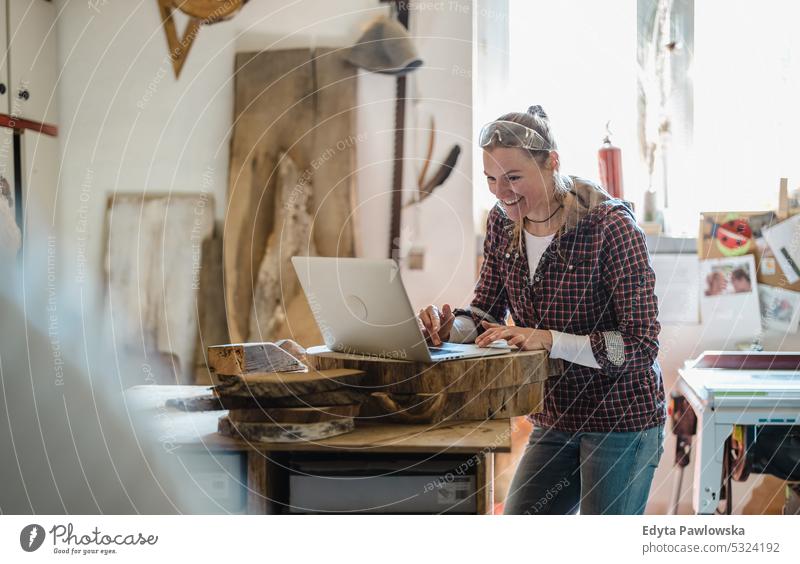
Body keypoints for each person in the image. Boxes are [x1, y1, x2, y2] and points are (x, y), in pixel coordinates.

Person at [418, 106, 666, 514]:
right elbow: (486, 311)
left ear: (552, 162)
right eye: (491, 180)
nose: (501, 192)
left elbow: (640, 347)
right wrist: (450, 328)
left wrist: (549, 339)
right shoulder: (502, 224)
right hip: (555, 416)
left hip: (622, 421)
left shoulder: (610, 228)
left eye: (513, 177)